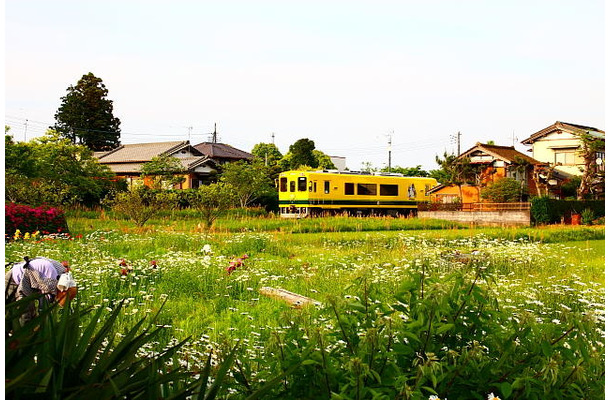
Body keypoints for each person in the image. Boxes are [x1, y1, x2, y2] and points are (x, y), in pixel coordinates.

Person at [5, 256, 68, 324]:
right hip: (15, 277)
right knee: (18, 312)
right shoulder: (51, 284)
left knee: (28, 315)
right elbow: (43, 306)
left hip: (30, 280)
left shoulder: (63, 276)